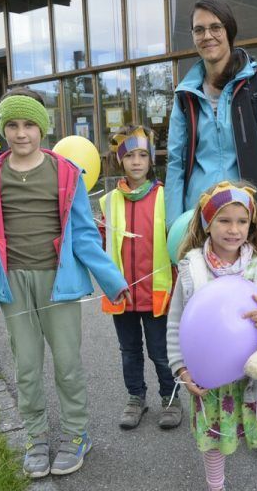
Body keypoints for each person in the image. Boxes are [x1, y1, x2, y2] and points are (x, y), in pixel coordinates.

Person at [0, 87, 130, 479]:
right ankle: (36, 436)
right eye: (12, 125)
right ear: (2, 130)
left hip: (58, 283)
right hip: (12, 286)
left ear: (42, 128)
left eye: (29, 124)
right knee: (26, 365)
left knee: (67, 364)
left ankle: (76, 434)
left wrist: (113, 281)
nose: (21, 133)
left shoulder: (65, 172)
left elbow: (84, 233)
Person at [166, 181, 257, 491]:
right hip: (212, 382)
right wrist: (182, 369)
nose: (234, 229)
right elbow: (176, 324)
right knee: (215, 441)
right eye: (224, 220)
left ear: (251, 224)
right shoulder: (193, 270)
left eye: (242, 221)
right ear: (206, 223)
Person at [165, 0, 257, 255]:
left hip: (253, 218)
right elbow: (175, 162)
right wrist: (174, 223)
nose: (208, 36)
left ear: (229, 31)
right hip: (201, 220)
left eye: (216, 27)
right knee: (206, 295)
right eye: (199, 30)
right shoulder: (185, 95)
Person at [98, 125, 181, 430]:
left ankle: (170, 399)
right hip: (122, 293)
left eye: (142, 155)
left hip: (157, 292)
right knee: (129, 352)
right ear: (120, 160)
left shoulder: (165, 197)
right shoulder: (109, 201)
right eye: (130, 155)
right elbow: (103, 244)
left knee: (161, 352)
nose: (136, 161)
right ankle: (135, 398)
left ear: (150, 159)